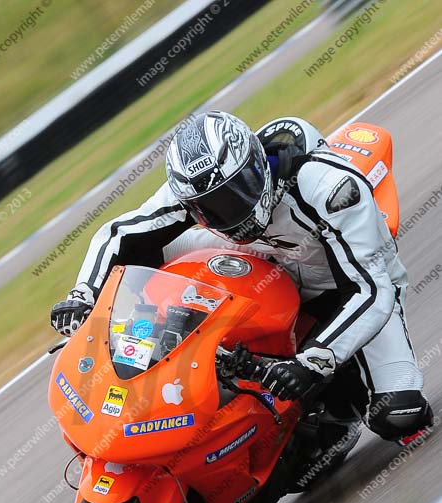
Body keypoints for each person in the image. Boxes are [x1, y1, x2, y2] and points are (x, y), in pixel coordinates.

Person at [50, 111, 432, 443]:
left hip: (342, 286)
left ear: (256, 166)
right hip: (259, 261)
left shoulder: (329, 189)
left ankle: (334, 414)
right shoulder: (191, 190)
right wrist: (83, 295)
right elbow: (122, 232)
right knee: (148, 246)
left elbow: (374, 288)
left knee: (398, 415)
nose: (228, 213)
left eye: (237, 194)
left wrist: (313, 361)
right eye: (211, 208)